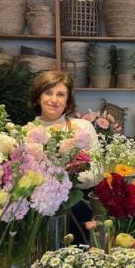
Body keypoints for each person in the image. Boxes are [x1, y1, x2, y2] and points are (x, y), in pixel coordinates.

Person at [28, 71, 100, 241]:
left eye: (61, 94)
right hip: (39, 213)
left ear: (68, 100)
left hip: (77, 210)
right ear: (38, 97)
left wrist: (66, 179)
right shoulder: (27, 131)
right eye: (48, 93)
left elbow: (96, 172)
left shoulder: (82, 128)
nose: (54, 100)